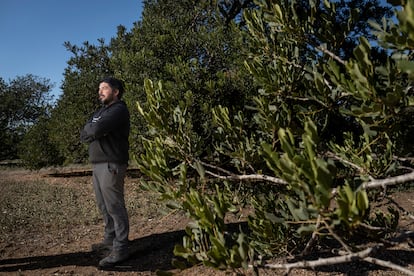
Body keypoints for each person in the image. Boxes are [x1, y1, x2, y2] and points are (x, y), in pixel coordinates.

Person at [80, 77, 131, 268]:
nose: (100, 91)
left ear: (116, 92)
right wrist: (92, 129)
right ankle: (109, 241)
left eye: (104, 88)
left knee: (115, 207)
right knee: (104, 206)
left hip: (112, 164)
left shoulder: (119, 110)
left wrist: (93, 129)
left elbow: (97, 128)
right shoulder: (101, 112)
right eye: (99, 88)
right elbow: (85, 132)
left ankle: (121, 249)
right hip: (98, 165)